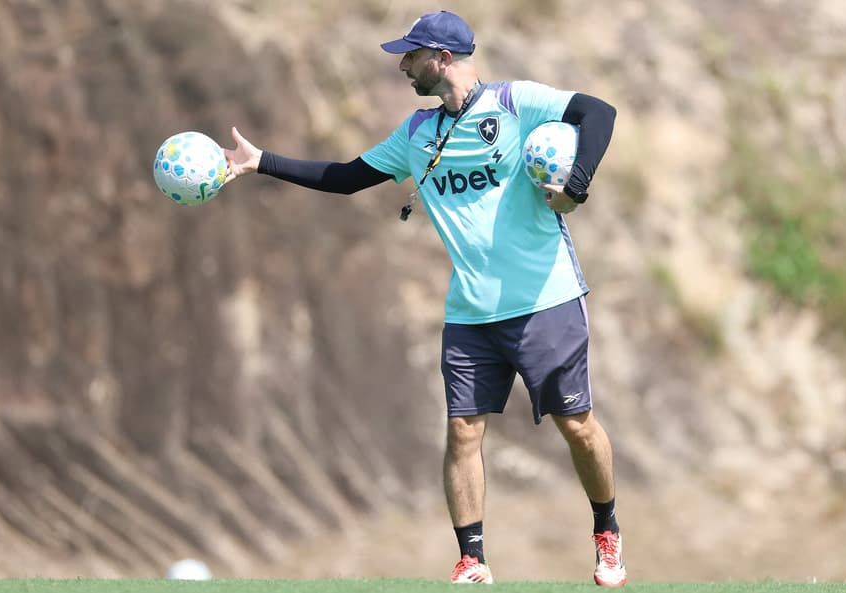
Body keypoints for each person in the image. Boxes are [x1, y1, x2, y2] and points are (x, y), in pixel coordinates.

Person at [222, 10, 625, 587]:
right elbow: (344, 177)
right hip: (470, 311)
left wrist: (577, 184)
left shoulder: (515, 102)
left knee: (578, 426)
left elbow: (598, 113)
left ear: (442, 58)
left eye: (410, 56)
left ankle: (607, 534)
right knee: (462, 430)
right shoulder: (416, 134)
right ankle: (472, 560)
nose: (402, 66)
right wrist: (263, 162)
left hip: (546, 299)